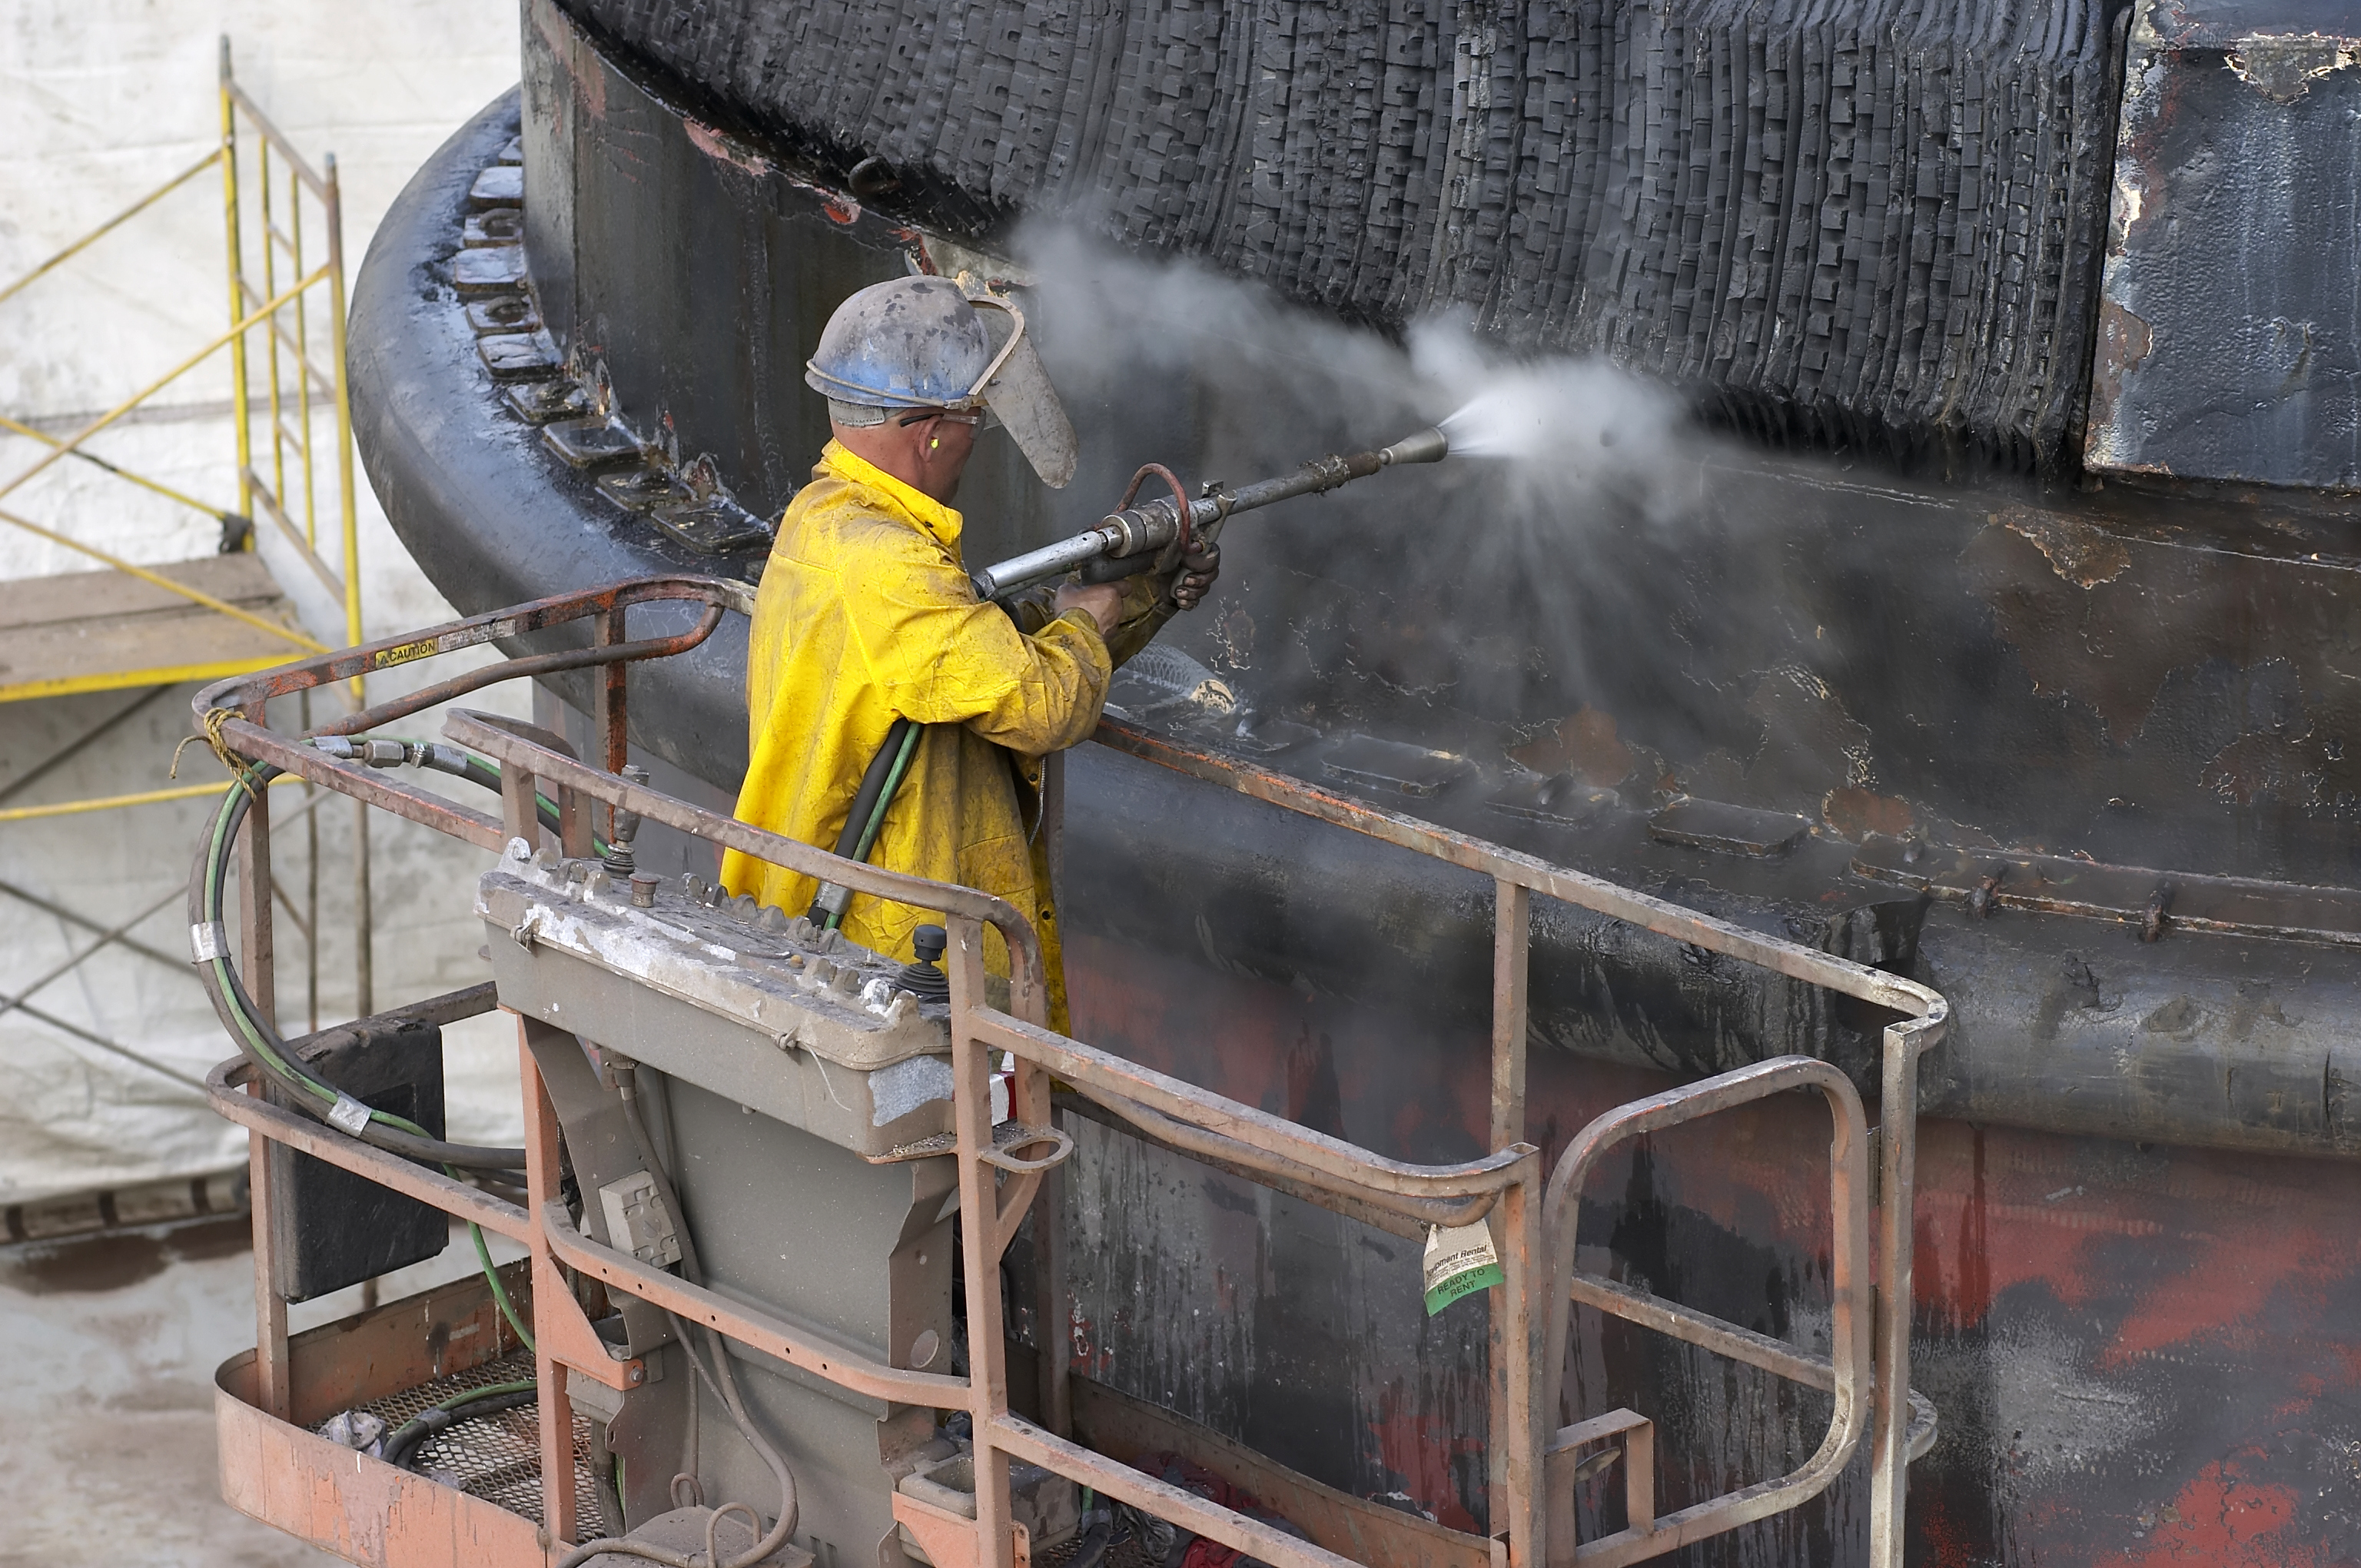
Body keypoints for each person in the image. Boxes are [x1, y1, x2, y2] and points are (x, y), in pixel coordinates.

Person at [719, 275, 1216, 1029]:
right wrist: (1090, 616)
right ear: (931, 432)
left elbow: (986, 657)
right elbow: (1044, 704)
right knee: (959, 1139)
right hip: (897, 966)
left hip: (859, 939)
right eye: (973, 426)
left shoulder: (830, 523)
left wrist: (1146, 590)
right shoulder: (888, 568)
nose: (972, 447)